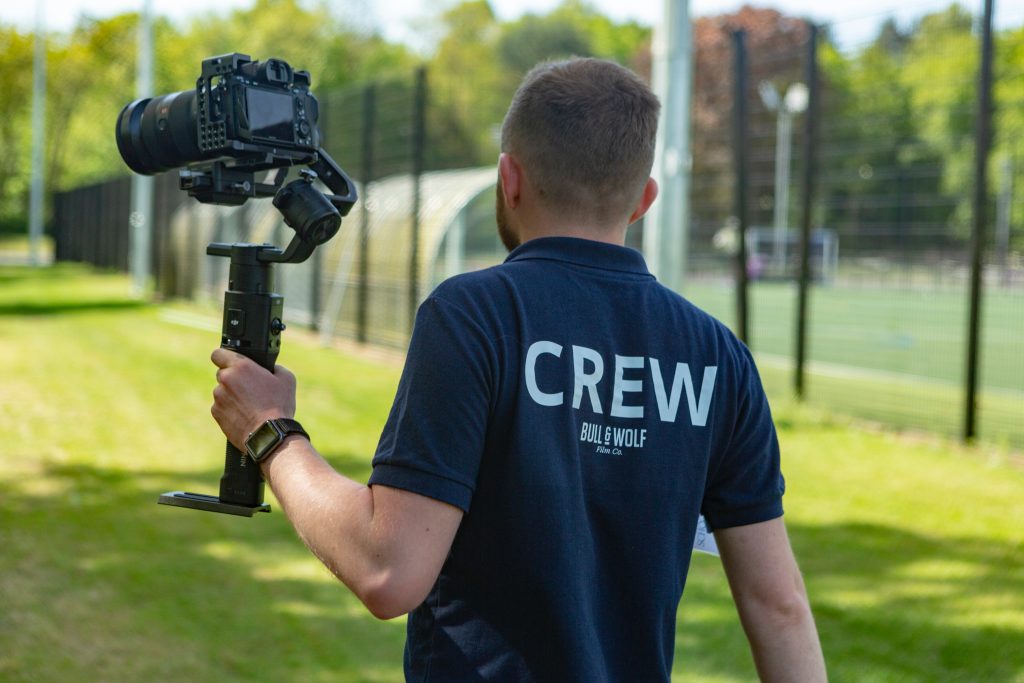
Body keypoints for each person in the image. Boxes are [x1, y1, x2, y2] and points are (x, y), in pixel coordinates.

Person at [211, 57, 827, 682]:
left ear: (509, 178)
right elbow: (779, 606)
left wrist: (270, 430)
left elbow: (388, 571)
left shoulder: (475, 314)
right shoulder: (719, 356)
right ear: (643, 200)